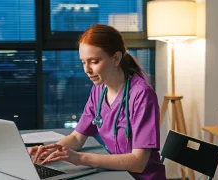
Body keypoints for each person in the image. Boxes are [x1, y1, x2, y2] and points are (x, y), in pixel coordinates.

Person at [29, 24, 166, 180]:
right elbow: (76, 138)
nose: (87, 69)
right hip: (115, 173)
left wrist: (79, 158)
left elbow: (138, 162)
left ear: (116, 58)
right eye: (83, 62)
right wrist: (50, 152)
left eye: (94, 61)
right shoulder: (99, 90)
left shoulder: (142, 94)